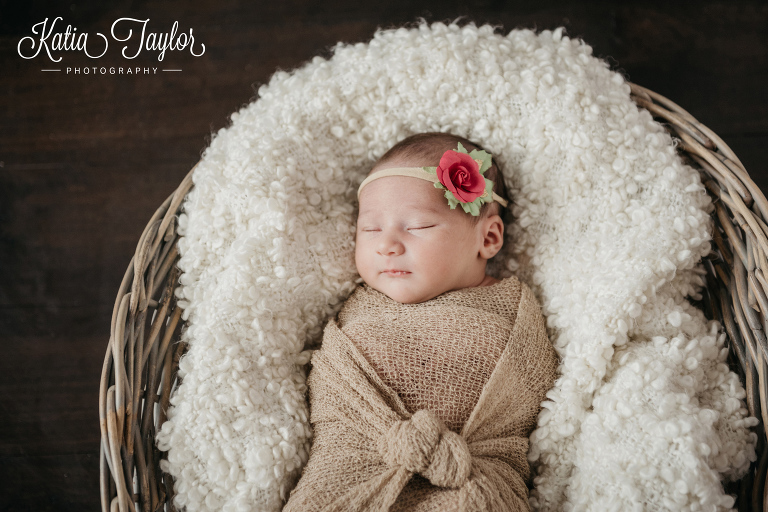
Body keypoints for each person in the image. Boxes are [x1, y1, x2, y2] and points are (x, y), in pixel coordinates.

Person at [283, 132, 559, 511]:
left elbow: (531, 385)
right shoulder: (358, 305)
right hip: (350, 469)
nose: (387, 245)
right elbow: (333, 388)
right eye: (371, 229)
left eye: (417, 227)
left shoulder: (510, 310)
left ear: (489, 238)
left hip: (465, 476)